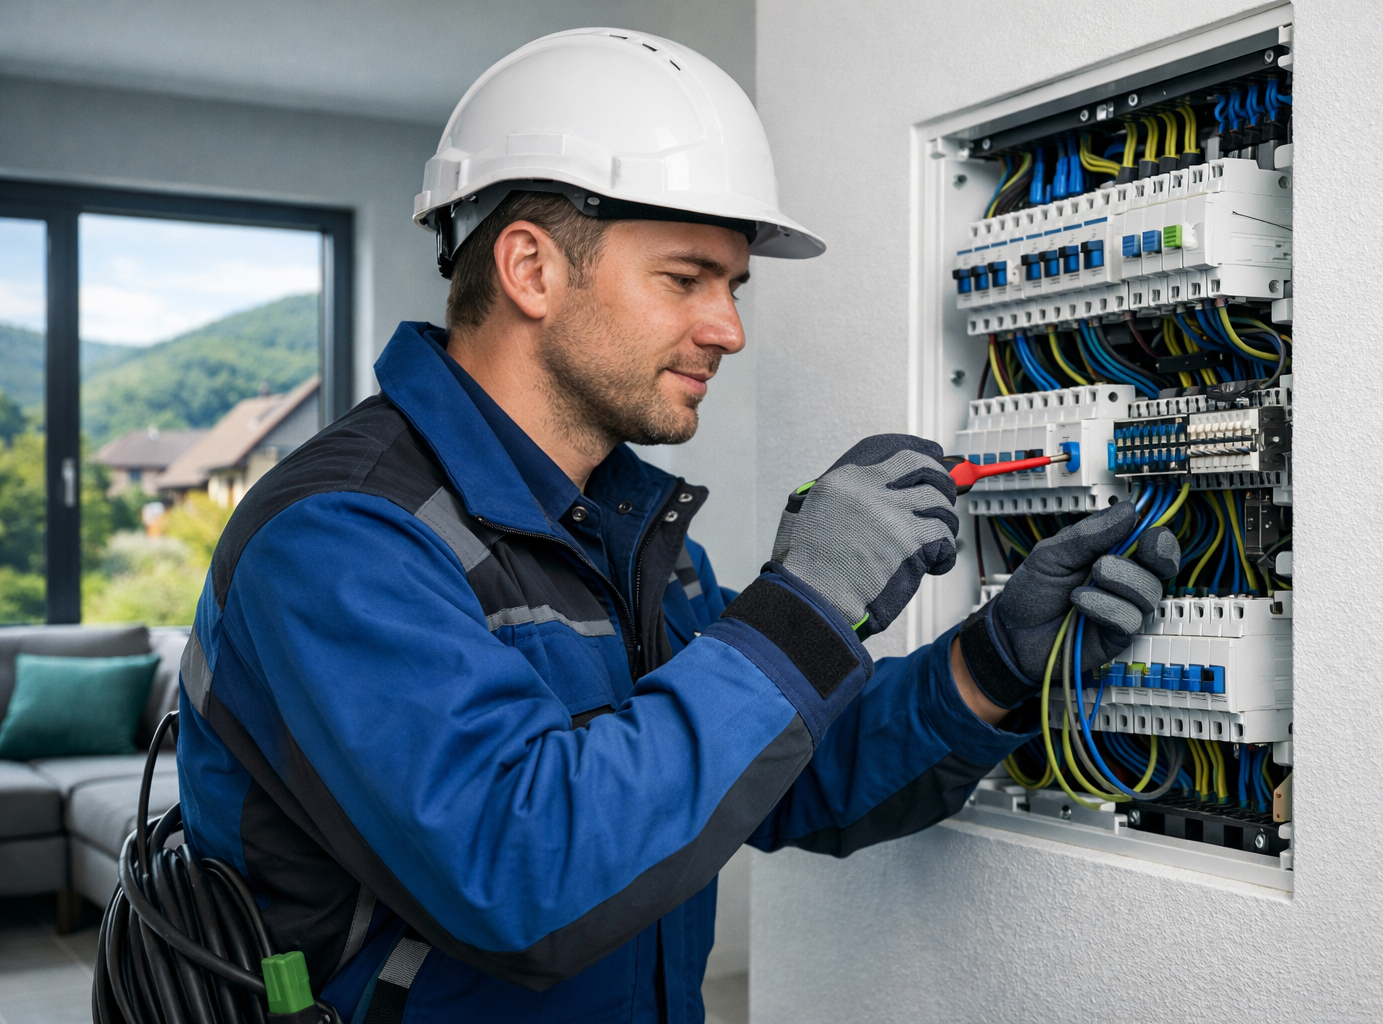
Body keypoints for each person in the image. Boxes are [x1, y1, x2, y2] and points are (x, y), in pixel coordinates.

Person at [175, 28, 1178, 1023]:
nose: (729, 328)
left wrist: (995, 664)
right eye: (685, 277)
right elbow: (519, 880)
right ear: (530, 268)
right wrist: (806, 605)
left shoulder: (627, 528)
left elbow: (773, 772)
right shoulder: (342, 537)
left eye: (733, 286)